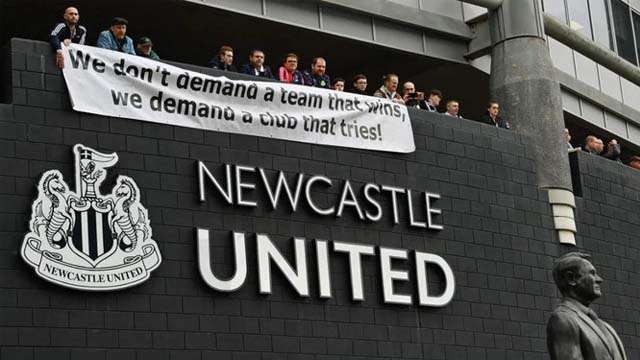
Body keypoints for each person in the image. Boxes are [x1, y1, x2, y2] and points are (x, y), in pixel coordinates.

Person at [547, 252, 627, 360]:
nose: (599, 279)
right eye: (592, 273)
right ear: (571, 278)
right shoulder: (563, 319)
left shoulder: (606, 327)